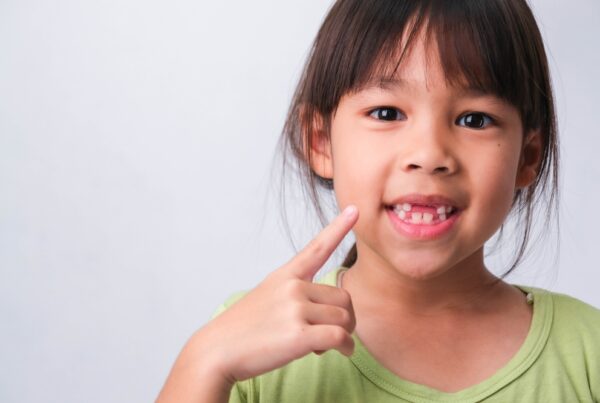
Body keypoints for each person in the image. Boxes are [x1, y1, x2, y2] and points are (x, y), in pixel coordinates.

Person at [157, 0, 600, 402]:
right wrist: (205, 362)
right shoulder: (245, 341)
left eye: (474, 119)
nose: (429, 154)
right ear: (320, 141)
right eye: (387, 113)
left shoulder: (587, 352)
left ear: (527, 157)